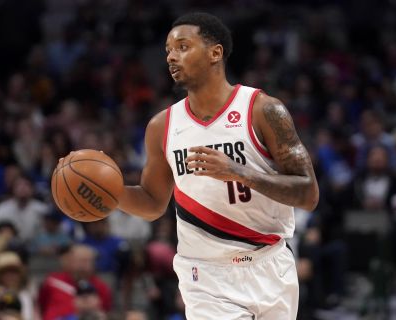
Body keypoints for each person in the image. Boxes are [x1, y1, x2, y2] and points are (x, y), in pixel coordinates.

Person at [108, 12, 319, 320]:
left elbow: (308, 194)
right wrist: (109, 193)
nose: (171, 57)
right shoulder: (162, 127)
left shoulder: (263, 110)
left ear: (215, 52)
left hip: (271, 264)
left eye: (182, 46)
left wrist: (238, 172)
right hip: (206, 274)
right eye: (168, 49)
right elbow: (153, 203)